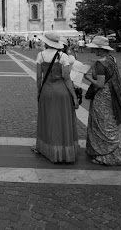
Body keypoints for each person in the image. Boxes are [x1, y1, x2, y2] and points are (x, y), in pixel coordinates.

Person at [33, 32, 79, 163]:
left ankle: (47, 149)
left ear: (46, 43)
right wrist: (74, 97)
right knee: (63, 119)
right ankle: (64, 151)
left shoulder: (40, 55)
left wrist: (39, 91)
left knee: (48, 118)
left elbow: (38, 77)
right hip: (62, 91)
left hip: (47, 91)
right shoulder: (63, 56)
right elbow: (67, 78)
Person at [83, 36, 121, 166]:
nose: (93, 52)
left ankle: (105, 155)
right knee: (110, 122)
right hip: (112, 95)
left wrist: (87, 77)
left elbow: (100, 84)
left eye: (95, 49)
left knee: (101, 123)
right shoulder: (111, 59)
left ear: (99, 49)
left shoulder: (100, 64)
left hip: (102, 96)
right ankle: (117, 152)